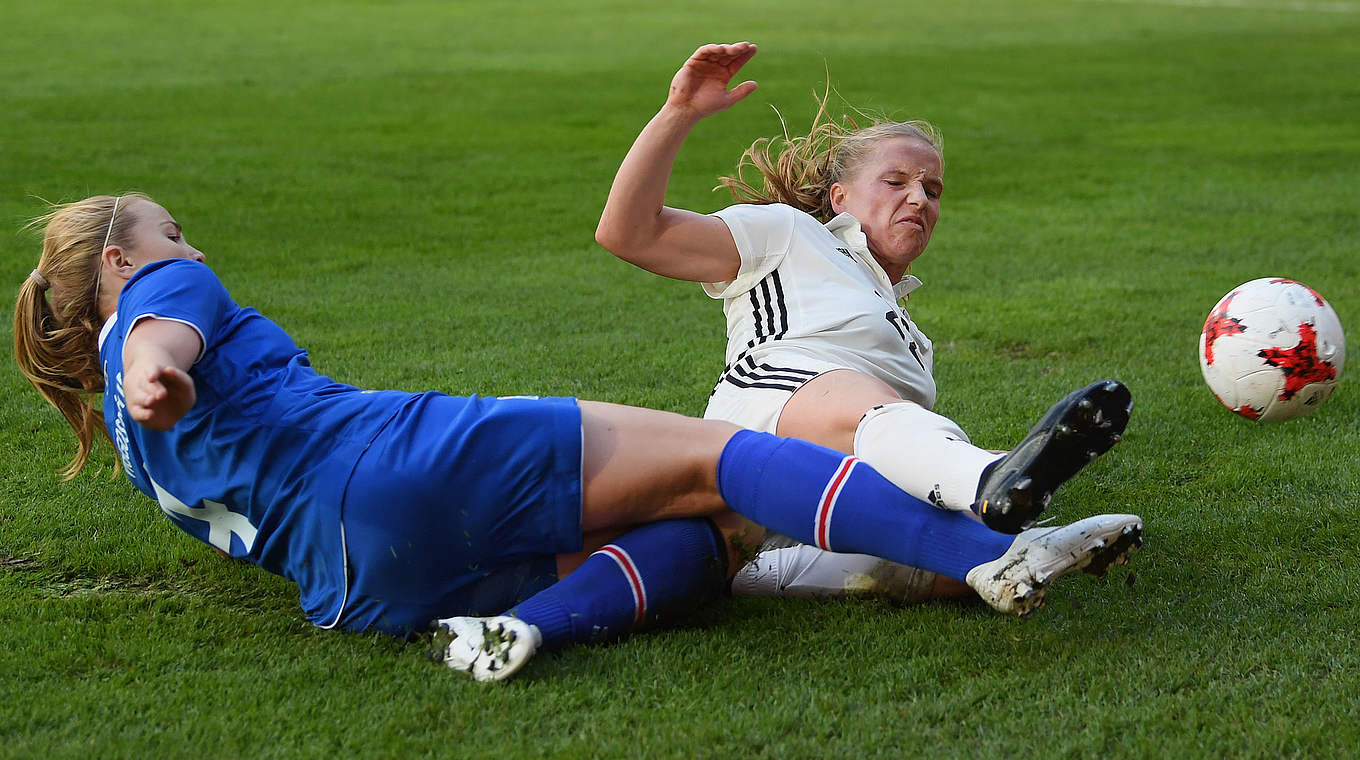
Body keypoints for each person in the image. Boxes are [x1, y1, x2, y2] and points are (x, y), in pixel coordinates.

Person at [14, 193, 1140, 682]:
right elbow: (165, 335)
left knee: (708, 537)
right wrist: (163, 359)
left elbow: (156, 381)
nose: (185, 240)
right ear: (120, 260)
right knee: (715, 458)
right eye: (167, 230)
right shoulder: (159, 294)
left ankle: (519, 631)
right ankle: (988, 551)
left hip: (357, 588)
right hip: (396, 459)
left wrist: (153, 387)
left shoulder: (125, 439)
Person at [596, 42, 1138, 603]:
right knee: (887, 421)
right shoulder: (787, 234)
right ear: (841, 199)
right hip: (770, 411)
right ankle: (991, 484)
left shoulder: (912, 339)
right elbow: (628, 233)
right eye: (896, 181)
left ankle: (993, 549)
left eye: (932, 190)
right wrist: (679, 112)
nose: (918, 199)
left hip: (834, 481)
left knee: (933, 535)